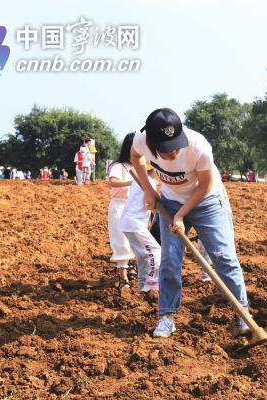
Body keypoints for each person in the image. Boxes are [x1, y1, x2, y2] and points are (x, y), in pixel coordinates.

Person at [131, 107, 250, 338]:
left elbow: (204, 186)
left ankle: (243, 313)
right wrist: (148, 190)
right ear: (152, 142)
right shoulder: (141, 140)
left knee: (223, 256)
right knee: (169, 260)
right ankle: (166, 318)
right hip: (171, 201)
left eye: (176, 144)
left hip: (207, 201)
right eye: (166, 149)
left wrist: (180, 216)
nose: (174, 152)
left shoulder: (199, 146)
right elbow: (135, 158)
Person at [119, 161, 161, 293]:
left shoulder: (140, 181)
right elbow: (150, 203)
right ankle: (152, 284)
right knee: (155, 252)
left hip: (130, 223)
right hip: (134, 224)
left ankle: (143, 287)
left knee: (143, 256)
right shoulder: (148, 183)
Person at [106, 132, 137, 290]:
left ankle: (131, 267)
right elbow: (112, 182)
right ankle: (122, 275)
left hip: (136, 206)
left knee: (136, 240)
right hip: (120, 204)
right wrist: (133, 182)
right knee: (121, 241)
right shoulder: (119, 166)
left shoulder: (140, 166)